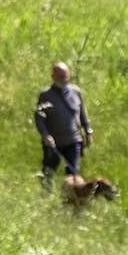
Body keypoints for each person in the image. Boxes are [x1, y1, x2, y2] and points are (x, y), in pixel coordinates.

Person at [34, 61, 93, 190]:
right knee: (48, 172)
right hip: (54, 142)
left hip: (74, 140)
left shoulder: (76, 92)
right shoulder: (45, 95)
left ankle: (71, 201)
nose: (64, 79)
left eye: (66, 76)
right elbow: (39, 118)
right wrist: (45, 135)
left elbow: (83, 113)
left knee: (73, 174)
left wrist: (88, 131)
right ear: (53, 77)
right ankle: (45, 197)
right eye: (60, 76)